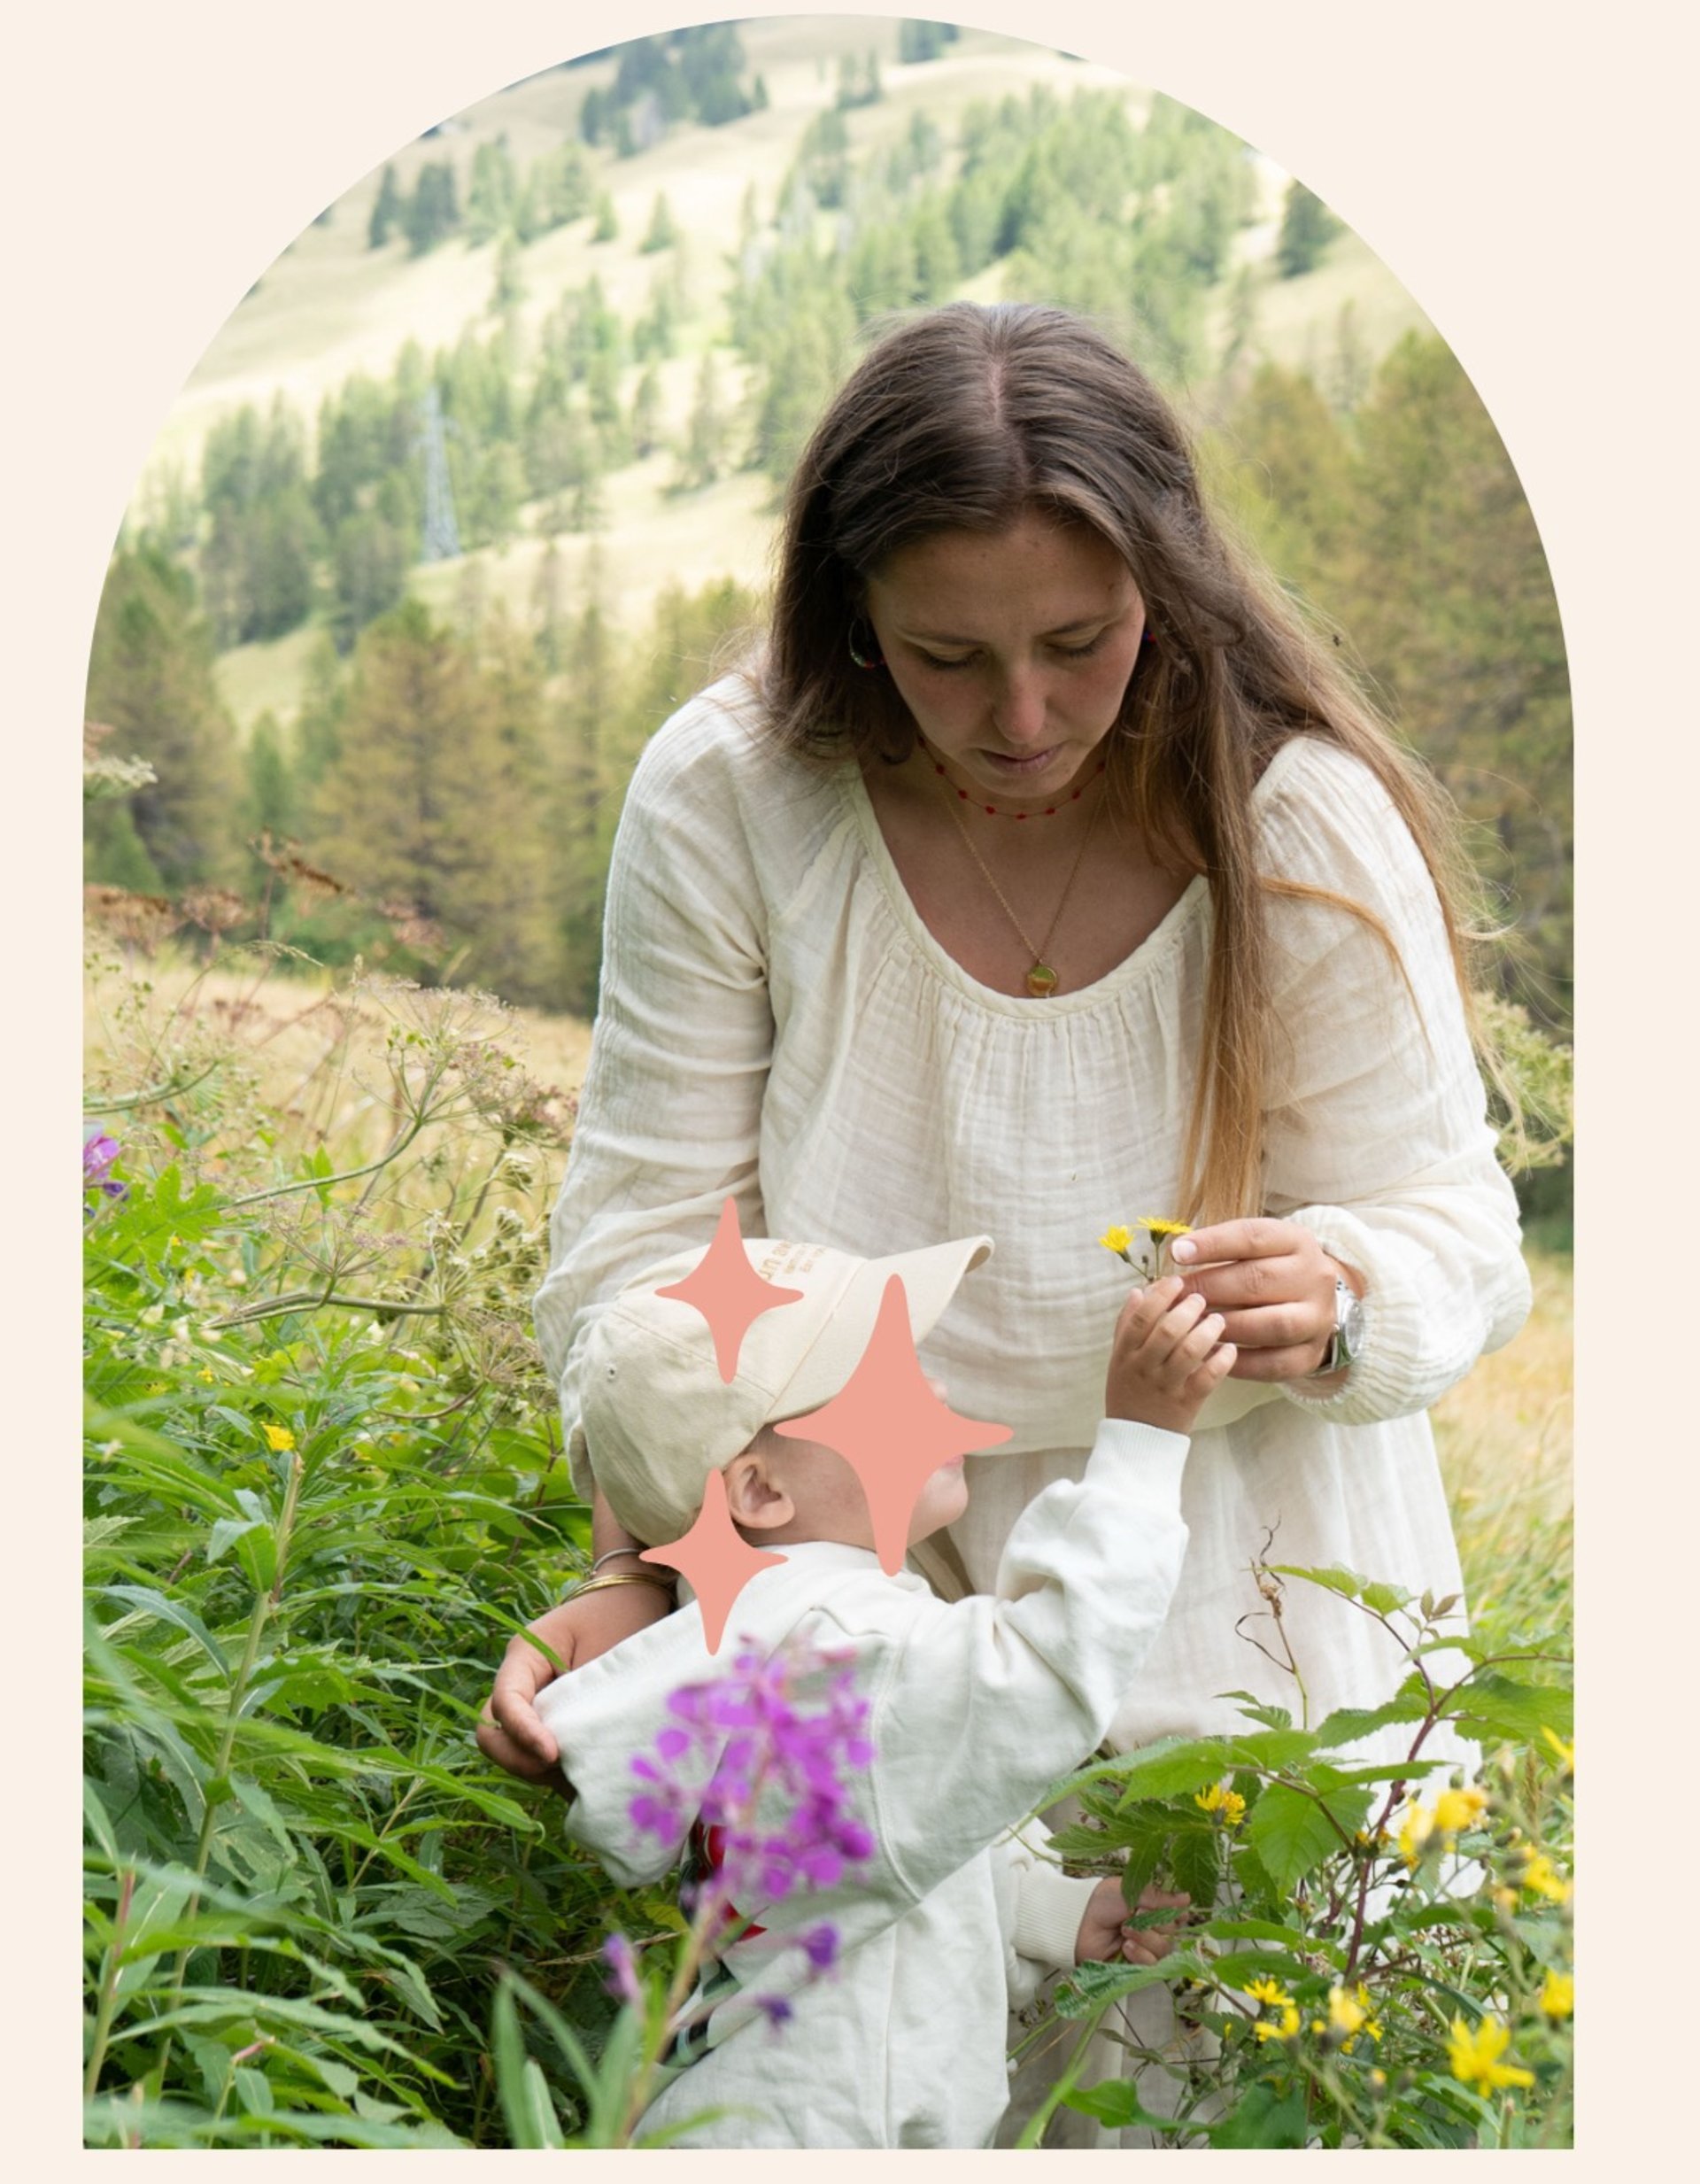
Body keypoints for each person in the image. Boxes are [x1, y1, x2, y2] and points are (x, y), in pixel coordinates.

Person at [480, 300, 1531, 2135]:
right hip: (877, 1578)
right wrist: (657, 1574)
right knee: (888, 2081)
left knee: (1245, 2088)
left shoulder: (1295, 816)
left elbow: (1458, 1227)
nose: (1023, 718)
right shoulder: (737, 793)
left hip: (1253, 1574)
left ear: (1169, 591)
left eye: (1080, 644)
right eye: (947, 656)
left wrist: (1344, 1291)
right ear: (849, 617)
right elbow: (646, 1257)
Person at [537, 1226, 1228, 2149]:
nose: (935, 1391)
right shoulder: (838, 1643)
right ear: (759, 1490)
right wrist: (1142, 1440)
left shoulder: (767, 1638)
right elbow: (1040, 1680)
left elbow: (868, 1843)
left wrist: (1059, 1912)